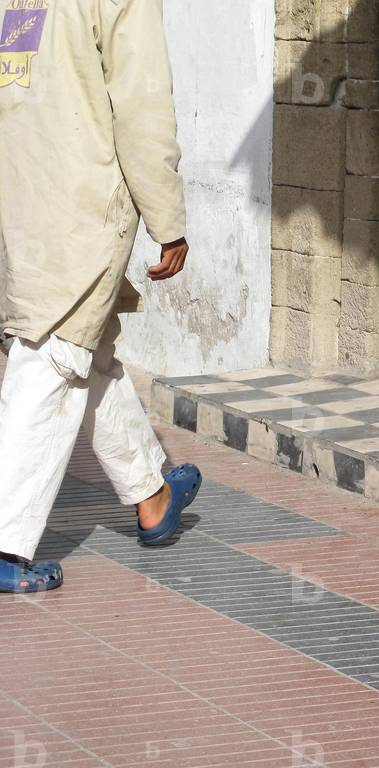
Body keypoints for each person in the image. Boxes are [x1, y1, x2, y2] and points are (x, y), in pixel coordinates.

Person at [0, 0, 202, 593]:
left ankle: (152, 496)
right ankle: (5, 541)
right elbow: (141, 106)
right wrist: (168, 217)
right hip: (82, 203)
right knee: (56, 354)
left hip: (22, 198)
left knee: (90, 346)